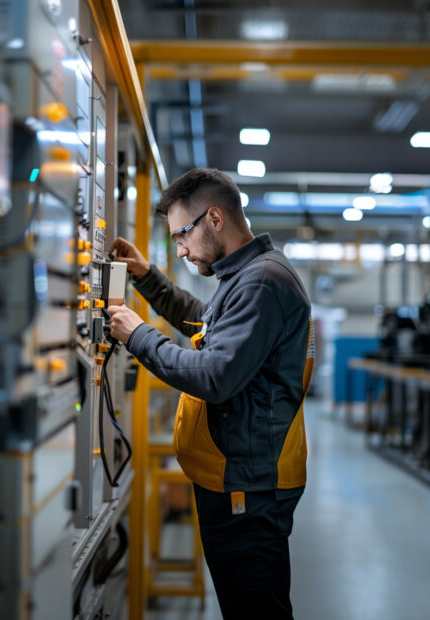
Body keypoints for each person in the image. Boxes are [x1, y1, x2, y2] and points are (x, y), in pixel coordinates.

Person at [106, 168, 313, 619]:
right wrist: (146, 277)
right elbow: (206, 322)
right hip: (238, 478)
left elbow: (215, 377)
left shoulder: (261, 281)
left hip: (249, 487)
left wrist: (138, 334)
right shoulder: (246, 277)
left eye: (182, 235)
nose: (179, 250)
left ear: (214, 218)